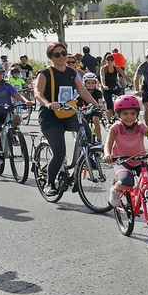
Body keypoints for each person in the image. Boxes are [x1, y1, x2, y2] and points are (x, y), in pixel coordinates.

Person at [33, 41, 104, 192]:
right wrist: (48, 104)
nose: (61, 57)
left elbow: (82, 92)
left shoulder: (71, 72)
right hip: (50, 117)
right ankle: (50, 184)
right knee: (59, 153)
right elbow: (37, 93)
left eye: (64, 53)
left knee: (86, 131)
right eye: (57, 54)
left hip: (68, 112)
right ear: (51, 57)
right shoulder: (45, 73)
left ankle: (85, 159)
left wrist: (96, 105)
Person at [105, 94, 148, 205]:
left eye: (133, 113)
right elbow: (108, 143)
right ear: (118, 115)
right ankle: (115, 189)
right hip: (122, 161)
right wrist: (107, 154)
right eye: (125, 114)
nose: (129, 117)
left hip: (140, 161)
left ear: (137, 114)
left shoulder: (140, 126)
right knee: (127, 181)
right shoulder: (115, 128)